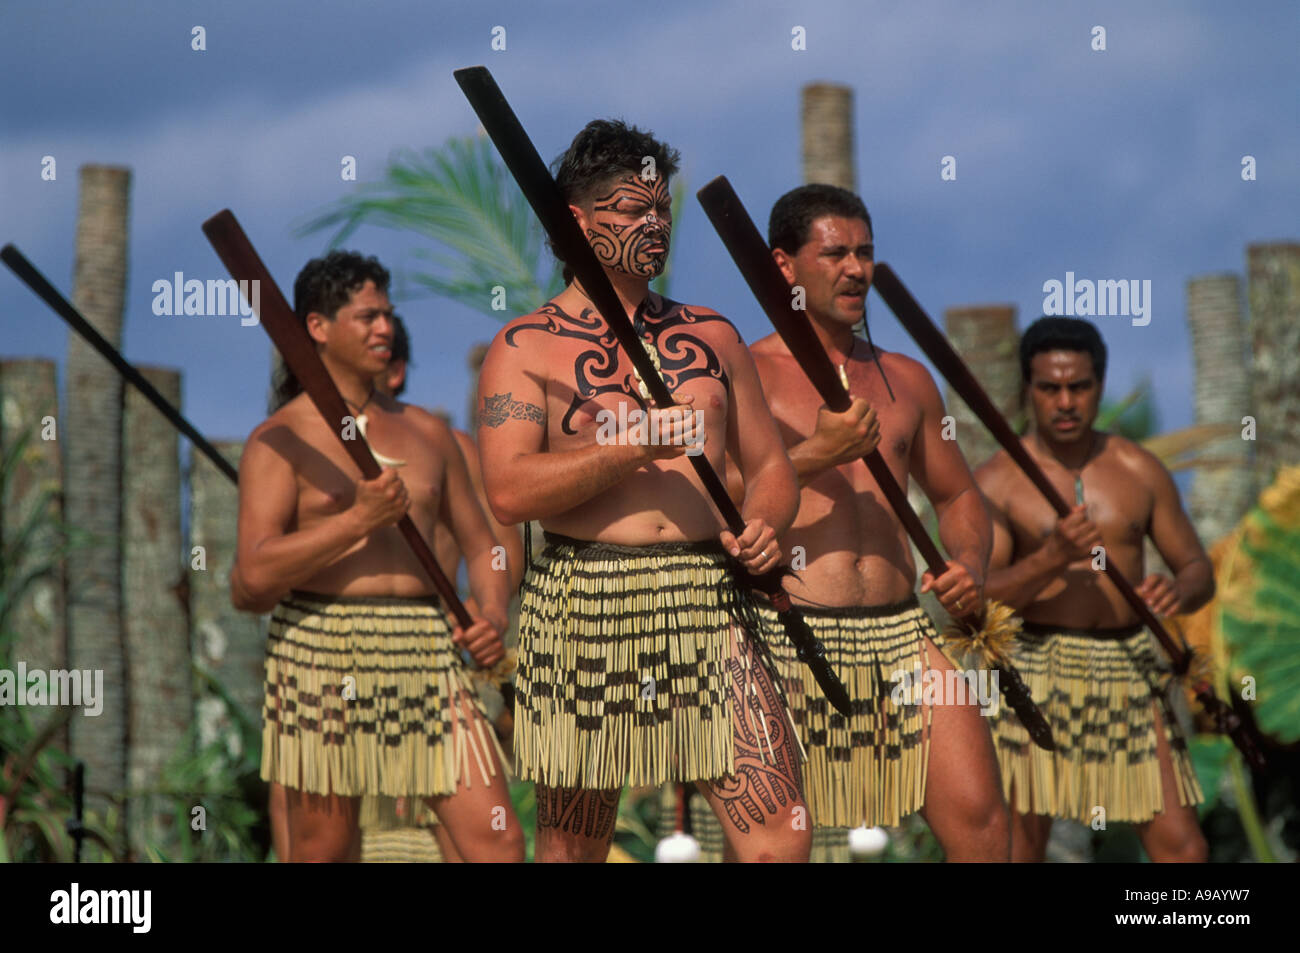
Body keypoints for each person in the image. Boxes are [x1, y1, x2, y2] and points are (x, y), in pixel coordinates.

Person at [477, 118, 807, 862]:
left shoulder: (713, 336)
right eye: (632, 210)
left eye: (660, 209)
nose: (654, 225)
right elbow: (507, 489)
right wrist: (636, 444)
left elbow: (774, 467)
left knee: (779, 836)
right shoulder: (525, 346)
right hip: (582, 602)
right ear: (577, 220)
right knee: (572, 849)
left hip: (708, 595)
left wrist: (763, 523)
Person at [744, 184, 1010, 861]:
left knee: (982, 821)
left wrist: (968, 566)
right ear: (784, 265)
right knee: (775, 848)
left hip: (900, 631)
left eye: (865, 253)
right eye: (835, 253)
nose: (857, 270)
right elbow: (715, 502)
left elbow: (959, 499)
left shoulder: (906, 379)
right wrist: (812, 456)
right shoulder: (744, 372)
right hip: (784, 631)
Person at [232, 251, 522, 862]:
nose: (384, 329)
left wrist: (491, 614)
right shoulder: (281, 438)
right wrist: (355, 522)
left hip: (427, 648)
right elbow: (250, 582)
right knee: (325, 851)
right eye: (366, 317)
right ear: (317, 327)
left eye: (387, 315)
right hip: (320, 650)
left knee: (496, 837)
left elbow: (486, 547)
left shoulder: (428, 433)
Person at [975, 316, 1210, 862]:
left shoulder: (1139, 469)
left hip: (1130, 666)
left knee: (1183, 848)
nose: (1065, 402)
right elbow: (978, 603)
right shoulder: (998, 480)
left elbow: (1197, 567)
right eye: (1050, 387)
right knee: (1018, 848)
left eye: (1078, 387)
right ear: (1027, 389)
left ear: (1098, 386)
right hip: (1031, 668)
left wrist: (1180, 590)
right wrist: (1053, 557)